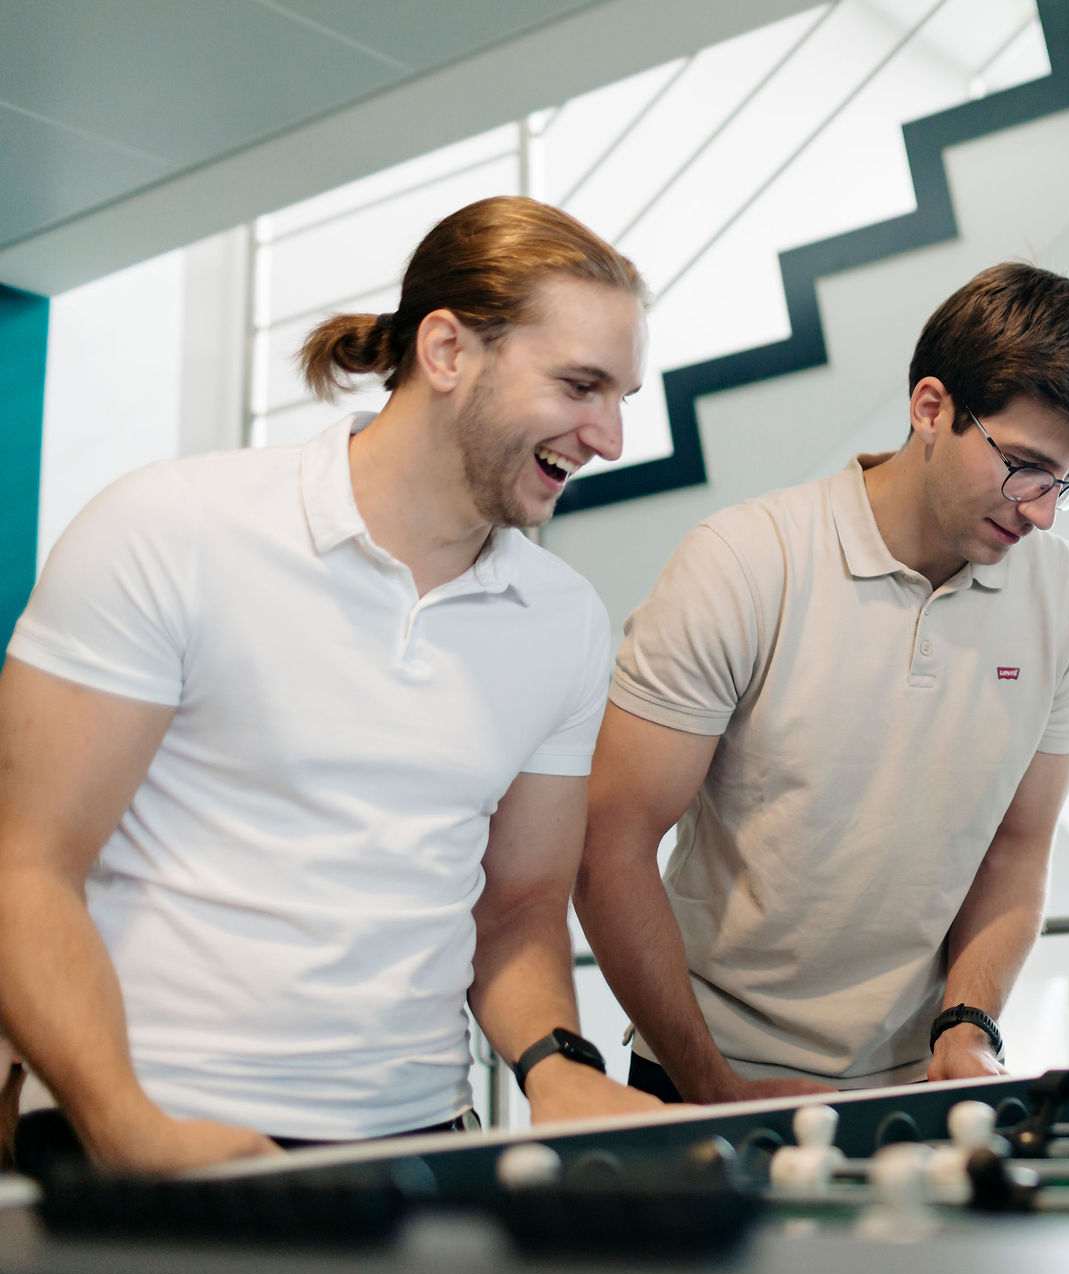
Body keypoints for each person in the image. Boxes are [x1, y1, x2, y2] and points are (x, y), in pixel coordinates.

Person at [0, 196, 666, 1176]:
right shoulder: (168, 528)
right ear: (446, 351)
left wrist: (554, 1064)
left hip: (415, 1147)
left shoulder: (562, 618)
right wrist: (119, 1120)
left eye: (623, 398)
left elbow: (519, 908)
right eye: (580, 385)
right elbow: (26, 868)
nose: (607, 436)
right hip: (147, 1134)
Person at [576, 262, 1069, 1102]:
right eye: (1023, 465)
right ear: (931, 408)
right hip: (704, 1067)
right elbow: (609, 841)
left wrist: (968, 1024)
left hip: (916, 1083)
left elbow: (1018, 849)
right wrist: (712, 1083)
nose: (1042, 510)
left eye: (1067, 479)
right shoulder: (745, 562)